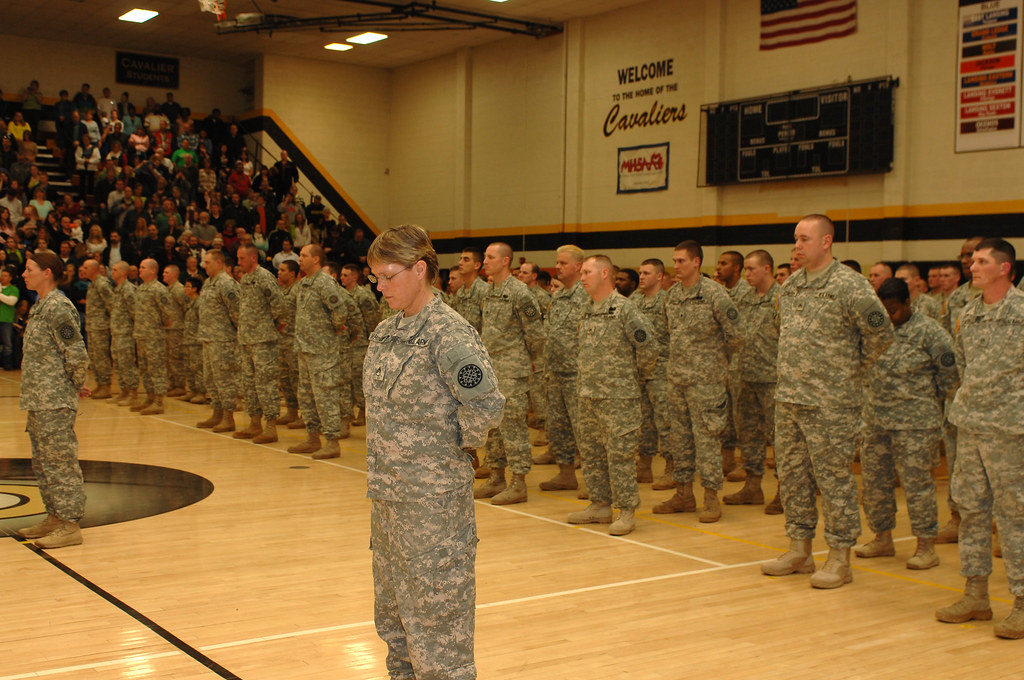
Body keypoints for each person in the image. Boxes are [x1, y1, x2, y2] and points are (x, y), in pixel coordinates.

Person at [364, 225, 504, 680]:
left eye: (387, 275)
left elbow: (485, 402)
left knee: (438, 626)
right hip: (388, 500)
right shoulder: (387, 332)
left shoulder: (449, 333)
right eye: (375, 277)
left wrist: (454, 448)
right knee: (394, 617)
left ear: (420, 269)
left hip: (432, 505)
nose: (379, 286)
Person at [761, 214, 894, 589]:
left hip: (831, 403)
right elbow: (779, 332)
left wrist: (847, 372)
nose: (797, 246)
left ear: (826, 242)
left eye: (805, 239)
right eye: (795, 239)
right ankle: (800, 548)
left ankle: (839, 556)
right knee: (792, 476)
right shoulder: (789, 289)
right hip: (789, 399)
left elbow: (881, 336)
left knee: (834, 480)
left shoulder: (851, 286)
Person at [937, 238, 1024, 638]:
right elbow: (964, 365)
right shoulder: (968, 313)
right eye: (972, 260)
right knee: (971, 510)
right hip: (970, 425)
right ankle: (976, 595)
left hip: (1011, 428)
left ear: (1005, 268)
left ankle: (1022, 603)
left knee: (1014, 517)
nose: (973, 266)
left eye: (983, 261)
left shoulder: (1021, 311)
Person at [855, 278, 957, 570]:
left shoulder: (930, 333)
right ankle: (882, 538)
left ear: (908, 303)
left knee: (917, 484)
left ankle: (926, 546)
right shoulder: (874, 330)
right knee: (875, 482)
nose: (889, 316)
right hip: (876, 420)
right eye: (884, 310)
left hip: (916, 424)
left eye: (895, 311)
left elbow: (949, 377)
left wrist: (924, 403)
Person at [654, 241, 742, 523]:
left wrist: (715, 363)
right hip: (677, 380)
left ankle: (711, 497)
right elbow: (669, 332)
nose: (676, 266)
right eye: (674, 261)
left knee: (706, 440)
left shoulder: (715, 295)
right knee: (679, 440)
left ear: (696, 263)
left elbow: (738, 335)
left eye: (681, 261)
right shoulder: (673, 295)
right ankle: (684, 494)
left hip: (706, 383)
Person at [570, 255, 656, 535]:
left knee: (619, 456)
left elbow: (649, 348)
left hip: (619, 398)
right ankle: (600, 505)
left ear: (605, 273)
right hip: (588, 396)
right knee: (592, 453)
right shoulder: (586, 309)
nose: (582, 277)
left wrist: (632, 379)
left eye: (587, 272)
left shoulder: (624, 309)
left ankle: (627, 510)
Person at [16, 252, 90, 549]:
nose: (24, 273)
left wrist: (75, 383)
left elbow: (76, 351)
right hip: (38, 399)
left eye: (29, 268)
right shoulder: (40, 306)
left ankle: (70, 524)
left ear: (47, 272)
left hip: (54, 399)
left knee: (60, 461)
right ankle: (55, 516)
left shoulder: (58, 306)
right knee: (43, 462)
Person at [473, 242, 545, 505]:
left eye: (490, 257)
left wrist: (533, 362)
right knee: (492, 426)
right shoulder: (490, 291)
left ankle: (518, 483)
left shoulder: (520, 293)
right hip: (491, 369)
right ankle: (496, 477)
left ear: (505, 261)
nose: (485, 262)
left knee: (513, 426)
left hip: (513, 371)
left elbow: (536, 333)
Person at [289, 244, 361, 459]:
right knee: (307, 395)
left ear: (316, 259)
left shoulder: (325, 282)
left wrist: (333, 330)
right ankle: (312, 438)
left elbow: (340, 311)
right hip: (305, 349)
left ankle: (332, 441)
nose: (299, 259)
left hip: (323, 351)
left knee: (325, 396)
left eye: (303, 256)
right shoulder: (304, 284)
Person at [725, 250, 780, 510]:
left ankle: (784, 490)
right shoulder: (744, 298)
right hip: (745, 377)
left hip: (772, 379)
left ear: (766, 268)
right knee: (748, 434)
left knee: (779, 437)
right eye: (745, 269)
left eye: (751, 269)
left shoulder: (782, 297)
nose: (746, 274)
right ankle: (753, 486)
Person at [535, 245, 589, 491]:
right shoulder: (557, 297)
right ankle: (566, 474)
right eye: (557, 263)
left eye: (563, 263)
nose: (557, 267)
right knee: (559, 427)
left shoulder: (587, 296)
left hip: (577, 374)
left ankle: (594, 482)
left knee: (584, 429)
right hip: (555, 371)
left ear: (578, 266)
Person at [234, 243, 286, 443]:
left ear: (253, 258)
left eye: (242, 258)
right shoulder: (246, 278)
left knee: (266, 382)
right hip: (247, 339)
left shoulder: (264, 277)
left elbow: (278, 304)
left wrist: (271, 324)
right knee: (249, 382)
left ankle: (271, 426)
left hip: (263, 339)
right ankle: (254, 422)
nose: (239, 263)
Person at [631, 258, 674, 486]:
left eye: (647, 273)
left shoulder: (667, 302)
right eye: (640, 272)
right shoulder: (634, 301)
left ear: (659, 276)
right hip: (639, 372)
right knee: (643, 422)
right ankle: (644, 466)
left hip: (661, 371)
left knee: (665, 421)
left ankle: (671, 468)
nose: (642, 277)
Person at [196, 250, 241, 432]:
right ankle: (217, 413)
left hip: (223, 340)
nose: (204, 266)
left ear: (219, 262)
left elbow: (237, 312)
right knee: (211, 378)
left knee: (224, 379)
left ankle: (228, 417)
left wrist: (233, 336)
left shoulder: (227, 283)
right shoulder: (208, 282)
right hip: (208, 337)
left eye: (208, 262)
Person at [130, 258, 174, 415]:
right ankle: (149, 397)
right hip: (141, 335)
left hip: (154, 335)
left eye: (143, 267)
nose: (139, 270)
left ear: (153, 271)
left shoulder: (159, 289)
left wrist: (156, 326)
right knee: (145, 368)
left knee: (156, 368)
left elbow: (168, 315)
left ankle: (158, 401)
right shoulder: (141, 288)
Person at [341, 263, 380, 426]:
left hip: (361, 343)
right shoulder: (342, 295)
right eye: (341, 275)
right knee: (346, 379)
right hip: (347, 344)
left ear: (354, 277)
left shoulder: (363, 295)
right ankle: (348, 412)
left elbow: (372, 319)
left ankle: (363, 412)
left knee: (359, 379)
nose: (341, 278)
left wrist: (371, 341)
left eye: (345, 275)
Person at [80, 260, 114, 398]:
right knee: (94, 357)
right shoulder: (92, 284)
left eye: (86, 267)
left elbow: (111, 304)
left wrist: (112, 324)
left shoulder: (102, 284)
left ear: (94, 269)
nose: (83, 269)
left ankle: (106, 386)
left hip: (101, 326)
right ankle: (100, 384)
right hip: (93, 326)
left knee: (101, 356)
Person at [109, 262, 140, 407]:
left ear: (123, 273)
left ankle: (132, 393)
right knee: (119, 363)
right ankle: (124, 390)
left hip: (126, 332)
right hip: (117, 332)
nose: (112, 272)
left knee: (127, 362)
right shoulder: (117, 289)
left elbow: (134, 312)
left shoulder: (128, 289)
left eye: (115, 270)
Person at [276, 260, 301, 426]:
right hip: (283, 341)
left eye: (283, 270)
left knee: (298, 379)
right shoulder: (282, 291)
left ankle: (305, 415)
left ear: (292, 273)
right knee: (286, 379)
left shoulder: (298, 290)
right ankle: (291, 411)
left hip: (295, 341)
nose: (279, 273)